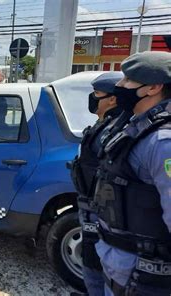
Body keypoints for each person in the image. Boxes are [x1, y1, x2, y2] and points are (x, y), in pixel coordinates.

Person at [93, 51, 171, 295]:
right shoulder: (135, 126)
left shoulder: (163, 142)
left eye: (127, 80)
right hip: (122, 270)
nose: (119, 85)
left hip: (146, 276)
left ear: (154, 87)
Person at [70, 72, 126, 296]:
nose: (92, 99)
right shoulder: (104, 125)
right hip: (91, 207)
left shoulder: (114, 129)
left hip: (101, 211)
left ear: (112, 99)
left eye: (96, 95)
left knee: (97, 267)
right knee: (92, 262)